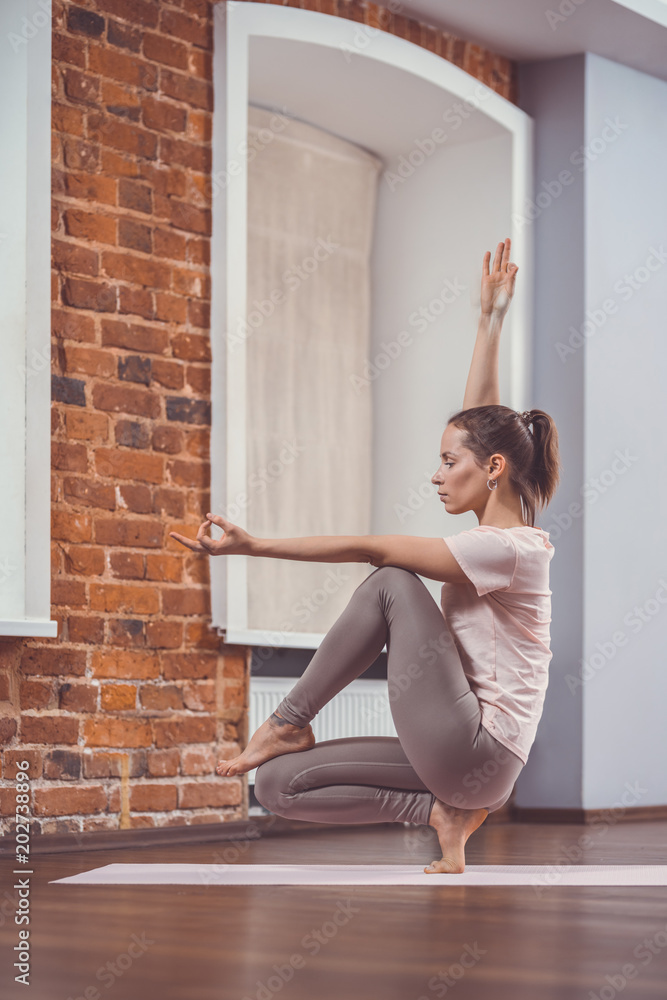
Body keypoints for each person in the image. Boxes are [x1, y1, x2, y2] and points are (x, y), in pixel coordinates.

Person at [170, 237, 562, 874]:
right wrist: (489, 322)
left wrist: (253, 546)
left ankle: (289, 719)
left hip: (477, 749)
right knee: (275, 787)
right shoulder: (512, 536)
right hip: (471, 769)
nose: (435, 476)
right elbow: (485, 428)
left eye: (447, 462)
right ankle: (440, 815)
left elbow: (371, 548)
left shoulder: (508, 549)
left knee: (391, 583)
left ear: (491, 470)